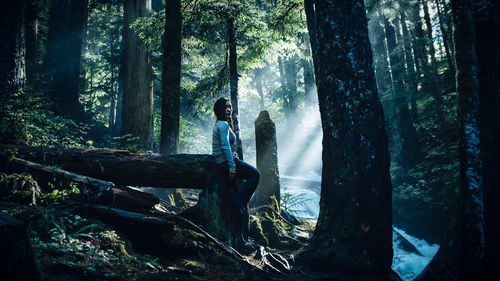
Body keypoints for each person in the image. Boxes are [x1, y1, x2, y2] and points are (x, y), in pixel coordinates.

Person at [212, 97, 260, 214]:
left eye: (230, 107)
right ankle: (239, 200)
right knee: (256, 174)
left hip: (222, 162)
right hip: (225, 163)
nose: (229, 109)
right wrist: (232, 167)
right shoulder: (223, 125)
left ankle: (237, 202)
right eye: (225, 107)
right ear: (219, 109)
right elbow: (224, 145)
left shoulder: (219, 124)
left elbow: (224, 145)